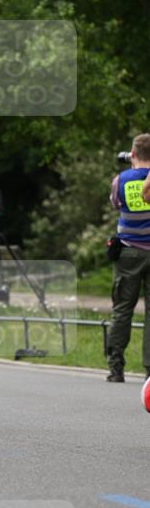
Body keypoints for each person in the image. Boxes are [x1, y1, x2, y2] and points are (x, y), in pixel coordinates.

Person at [106, 132, 150, 383]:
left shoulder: (120, 180)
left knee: (122, 309)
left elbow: (115, 204)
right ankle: (149, 371)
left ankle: (116, 367)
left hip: (129, 253)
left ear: (132, 154)